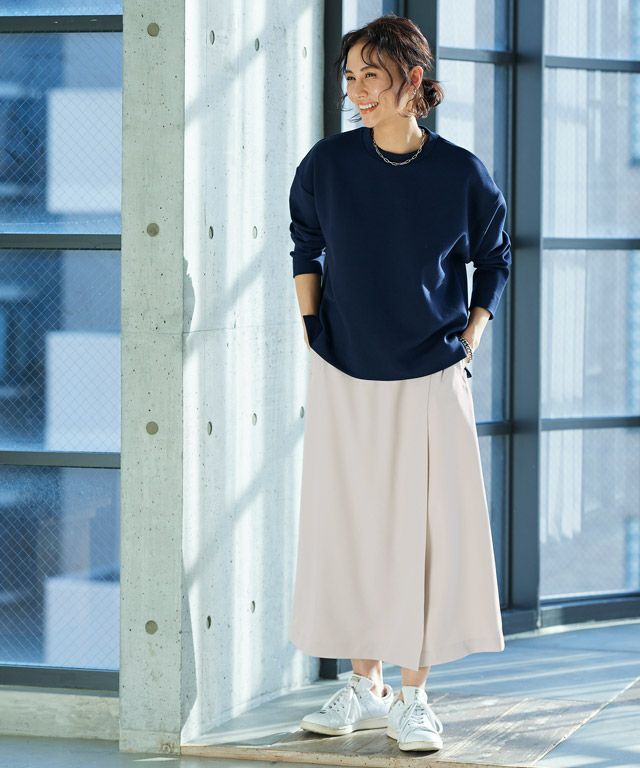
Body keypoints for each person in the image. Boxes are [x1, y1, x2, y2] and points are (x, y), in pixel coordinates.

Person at [287, 13, 511, 753]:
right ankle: (365, 683)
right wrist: (313, 329)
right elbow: (306, 244)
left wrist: (468, 340)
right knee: (352, 521)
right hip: (344, 367)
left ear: (413, 79)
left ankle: (414, 696)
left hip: (432, 371)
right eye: (349, 78)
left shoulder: (461, 173)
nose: (356, 92)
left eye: (371, 77)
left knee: (427, 529)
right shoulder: (327, 164)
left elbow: (495, 259)